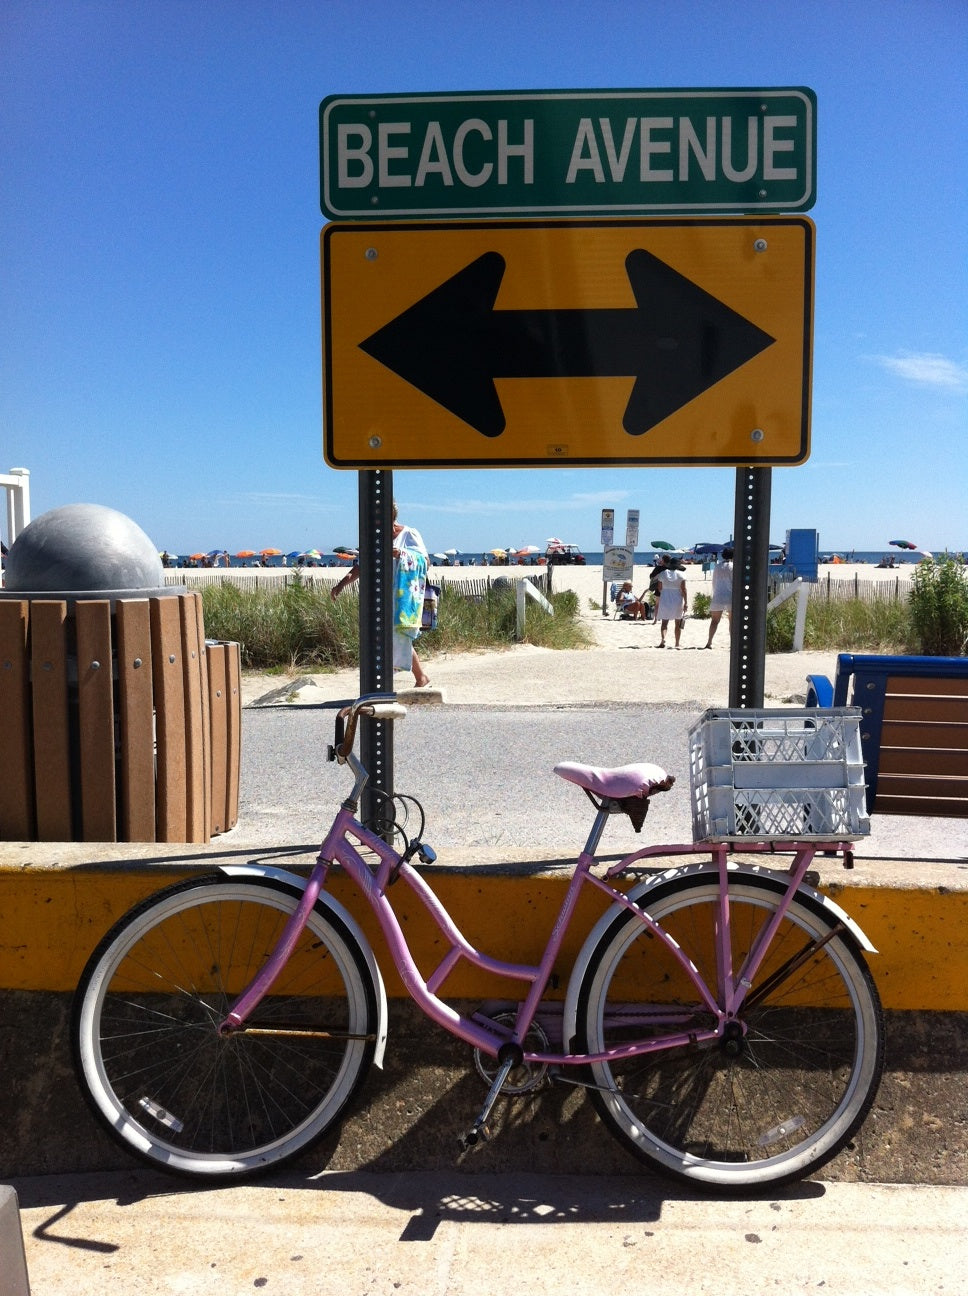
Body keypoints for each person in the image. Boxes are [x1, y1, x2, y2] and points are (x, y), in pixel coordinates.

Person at [330, 504, 432, 688]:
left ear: (391, 516)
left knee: (399, 634)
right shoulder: (376, 537)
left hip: (404, 595)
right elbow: (362, 565)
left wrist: (402, 554)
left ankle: (409, 679)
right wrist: (341, 585)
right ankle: (418, 677)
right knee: (385, 635)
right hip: (381, 595)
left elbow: (426, 562)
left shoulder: (409, 534)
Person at [705, 545, 734, 648]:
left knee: (714, 621)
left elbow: (714, 582)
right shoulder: (733, 566)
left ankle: (709, 642)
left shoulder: (717, 566)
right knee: (732, 622)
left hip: (718, 595)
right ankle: (732, 643)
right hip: (730, 596)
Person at [655, 557, 688, 648]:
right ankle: (677, 643)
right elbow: (684, 589)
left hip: (665, 597)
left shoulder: (662, 573)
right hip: (677, 598)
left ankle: (663, 639)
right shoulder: (682, 574)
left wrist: (665, 591)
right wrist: (686, 602)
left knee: (664, 622)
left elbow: (659, 588)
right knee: (677, 623)